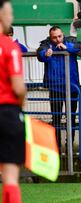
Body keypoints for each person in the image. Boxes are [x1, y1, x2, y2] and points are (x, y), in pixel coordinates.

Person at [37, 26, 81, 151]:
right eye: (54, 37)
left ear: (63, 35)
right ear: (50, 38)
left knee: (71, 117)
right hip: (55, 88)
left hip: (72, 87)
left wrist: (68, 48)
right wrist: (45, 53)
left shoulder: (71, 41)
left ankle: (70, 145)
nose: (57, 39)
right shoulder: (46, 44)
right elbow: (39, 54)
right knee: (56, 118)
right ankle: (56, 146)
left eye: (59, 36)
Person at [0, 0, 27, 202]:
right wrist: (21, 105)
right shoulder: (9, 47)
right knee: (10, 177)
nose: (11, 18)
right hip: (7, 112)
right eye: (9, 13)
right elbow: (18, 87)